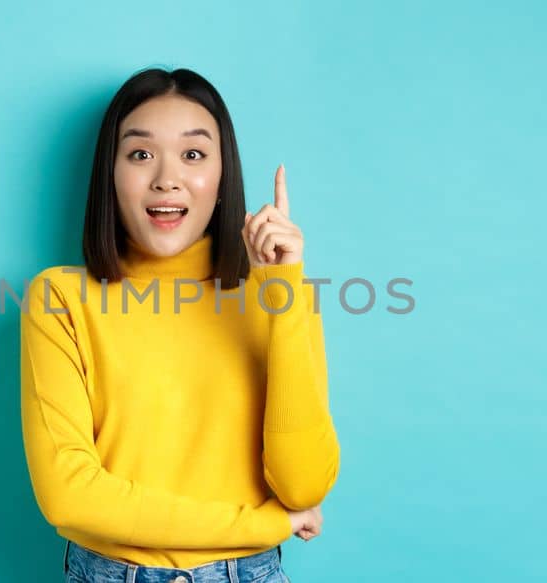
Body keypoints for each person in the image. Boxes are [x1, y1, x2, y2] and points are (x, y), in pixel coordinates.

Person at [20, 67, 340, 583]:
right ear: (112, 175)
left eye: (193, 154)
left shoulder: (278, 295)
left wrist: (282, 293)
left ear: (221, 180)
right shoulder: (60, 298)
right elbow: (68, 496)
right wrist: (259, 525)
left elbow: (303, 487)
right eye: (140, 154)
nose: (166, 177)